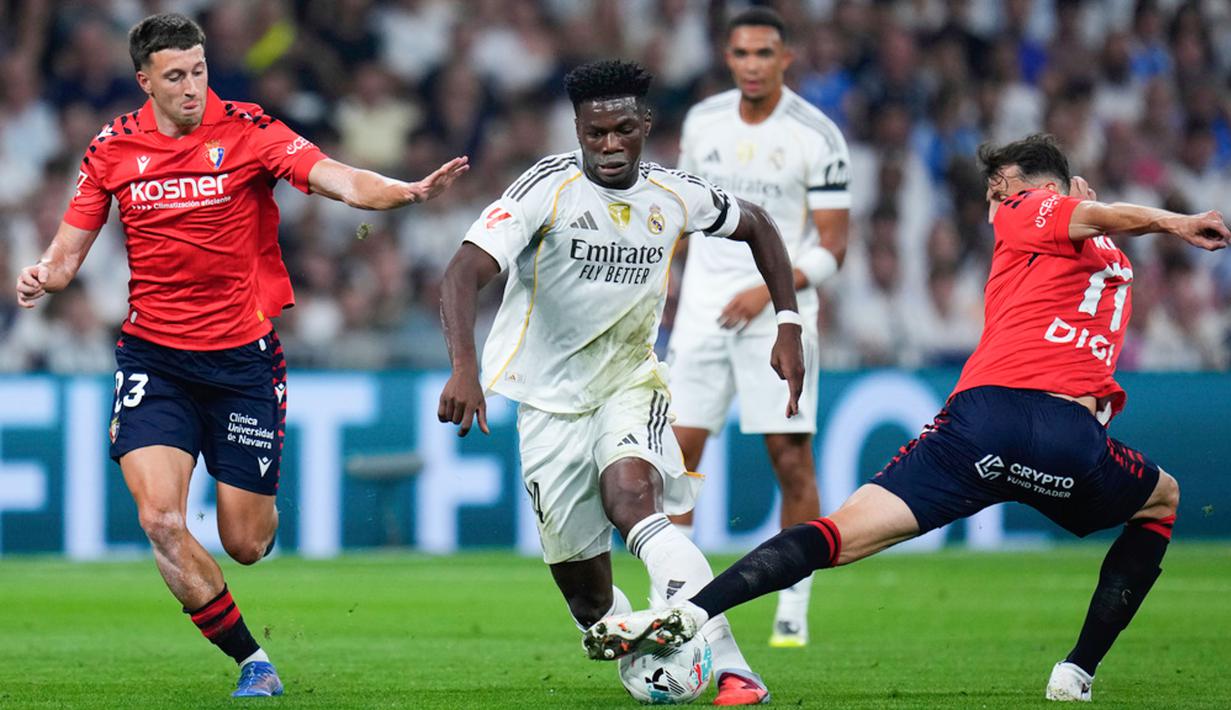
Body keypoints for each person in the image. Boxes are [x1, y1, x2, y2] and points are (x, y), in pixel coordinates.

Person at [583, 134, 1229, 703]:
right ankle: (1076, 673)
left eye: (1001, 190)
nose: (992, 205)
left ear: (1040, 192)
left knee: (836, 535)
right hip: (1070, 445)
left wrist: (1175, 223)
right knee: (1160, 500)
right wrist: (1108, 213)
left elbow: (1085, 212)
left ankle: (694, 614)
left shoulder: (1028, 214)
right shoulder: (1109, 260)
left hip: (984, 425)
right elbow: (1095, 224)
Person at [14, 13, 467, 698]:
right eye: (175, 75)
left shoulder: (249, 131)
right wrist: (43, 274)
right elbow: (68, 251)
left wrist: (399, 192)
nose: (193, 86)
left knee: (245, 544)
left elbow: (335, 177)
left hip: (242, 365)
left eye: (198, 70)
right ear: (145, 81)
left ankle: (257, 511)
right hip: (154, 361)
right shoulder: (112, 148)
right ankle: (253, 661)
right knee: (160, 521)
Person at [437, 59, 803, 706]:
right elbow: (462, 272)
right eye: (595, 132)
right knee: (588, 601)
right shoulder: (543, 190)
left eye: (623, 130)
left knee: (632, 499)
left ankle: (731, 666)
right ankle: (644, 643)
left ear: (645, 126)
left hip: (629, 381)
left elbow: (759, 226)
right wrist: (464, 366)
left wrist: (789, 322)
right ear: (577, 128)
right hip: (547, 405)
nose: (609, 146)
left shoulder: (673, 194)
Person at [665, 6, 851, 648]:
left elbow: (833, 250)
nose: (752, 65)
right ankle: (680, 601)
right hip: (700, 314)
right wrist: (663, 270)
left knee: (789, 457)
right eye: (742, 54)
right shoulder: (702, 121)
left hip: (779, 316)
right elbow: (684, 212)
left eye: (764, 54)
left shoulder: (817, 135)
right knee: (676, 455)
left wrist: (765, 290)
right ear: (728, 58)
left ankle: (793, 601)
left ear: (785, 59)